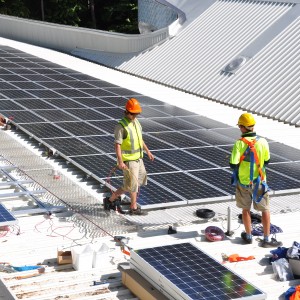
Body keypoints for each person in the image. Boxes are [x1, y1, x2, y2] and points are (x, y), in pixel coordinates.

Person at [230, 113, 282, 248]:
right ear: (252, 126)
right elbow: (267, 161)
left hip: (243, 182)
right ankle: (267, 239)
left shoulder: (239, 144)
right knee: (265, 209)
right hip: (259, 181)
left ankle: (248, 236)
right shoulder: (263, 141)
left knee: (245, 209)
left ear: (242, 127)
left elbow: (233, 163)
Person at [103, 98, 154, 215]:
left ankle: (111, 200)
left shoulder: (136, 122)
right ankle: (133, 207)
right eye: (134, 114)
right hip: (129, 161)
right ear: (128, 112)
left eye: (137, 114)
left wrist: (148, 152)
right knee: (132, 185)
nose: (135, 116)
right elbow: (117, 145)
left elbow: (140, 139)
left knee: (135, 182)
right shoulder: (121, 126)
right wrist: (120, 162)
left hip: (138, 159)